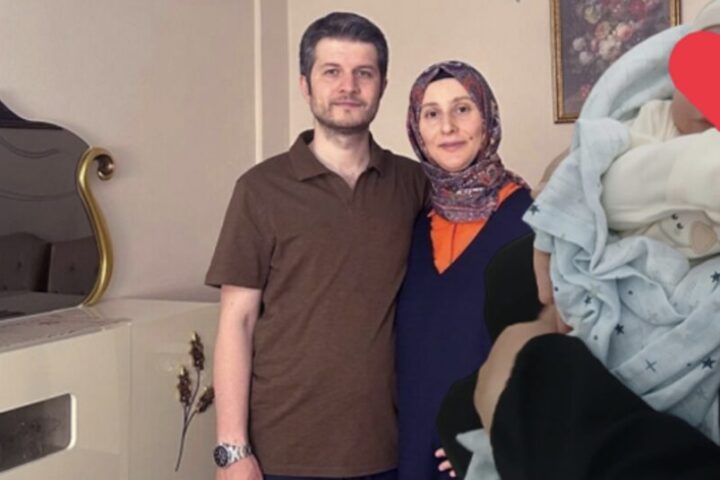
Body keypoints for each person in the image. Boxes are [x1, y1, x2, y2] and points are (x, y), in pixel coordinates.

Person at [205, 12, 427, 480]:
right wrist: (231, 449)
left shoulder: (412, 184)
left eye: (363, 73)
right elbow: (237, 322)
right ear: (305, 85)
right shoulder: (259, 189)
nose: (348, 86)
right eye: (332, 72)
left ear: (383, 86)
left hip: (389, 447)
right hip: (282, 451)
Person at [394, 60, 532, 480]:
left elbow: (558, 345)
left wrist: (497, 440)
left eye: (463, 108)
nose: (448, 127)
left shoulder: (532, 221)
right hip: (410, 451)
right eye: (431, 114)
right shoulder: (411, 223)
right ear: (417, 130)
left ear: (487, 119)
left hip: (491, 459)